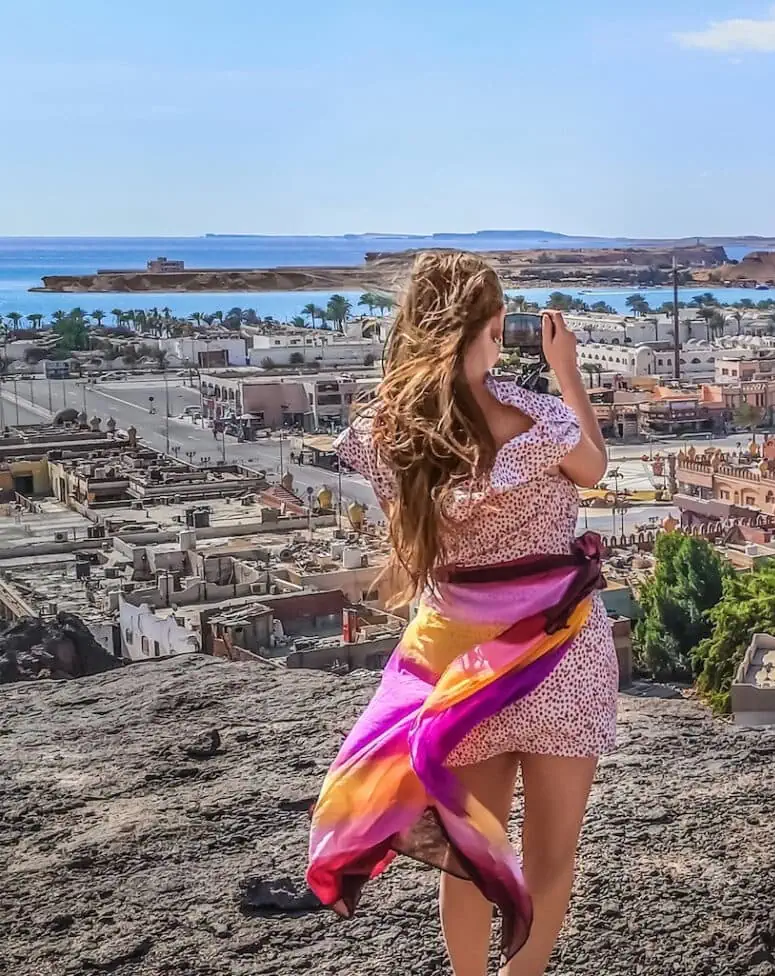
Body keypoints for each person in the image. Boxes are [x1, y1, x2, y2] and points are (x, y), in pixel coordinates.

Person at [304, 250, 613, 976]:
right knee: (551, 855)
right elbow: (595, 467)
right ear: (497, 326)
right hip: (560, 658)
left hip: (458, 663)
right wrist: (566, 371)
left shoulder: (387, 432)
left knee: (473, 852)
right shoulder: (538, 418)